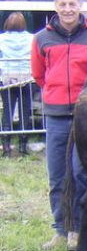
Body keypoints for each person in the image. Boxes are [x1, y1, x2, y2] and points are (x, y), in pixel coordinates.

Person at [30, 0, 87, 250]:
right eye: (62, 5)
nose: (68, 9)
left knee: (80, 174)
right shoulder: (41, 39)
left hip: (84, 115)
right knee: (57, 175)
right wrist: (54, 92)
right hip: (56, 114)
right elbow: (39, 74)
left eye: (72, 4)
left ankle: (78, 228)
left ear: (80, 6)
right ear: (55, 7)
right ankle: (60, 228)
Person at [1, 12, 34, 157]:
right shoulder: (32, 38)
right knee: (25, 111)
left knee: (8, 110)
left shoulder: (1, 38)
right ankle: (23, 146)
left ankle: (6, 147)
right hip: (26, 77)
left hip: (8, 77)